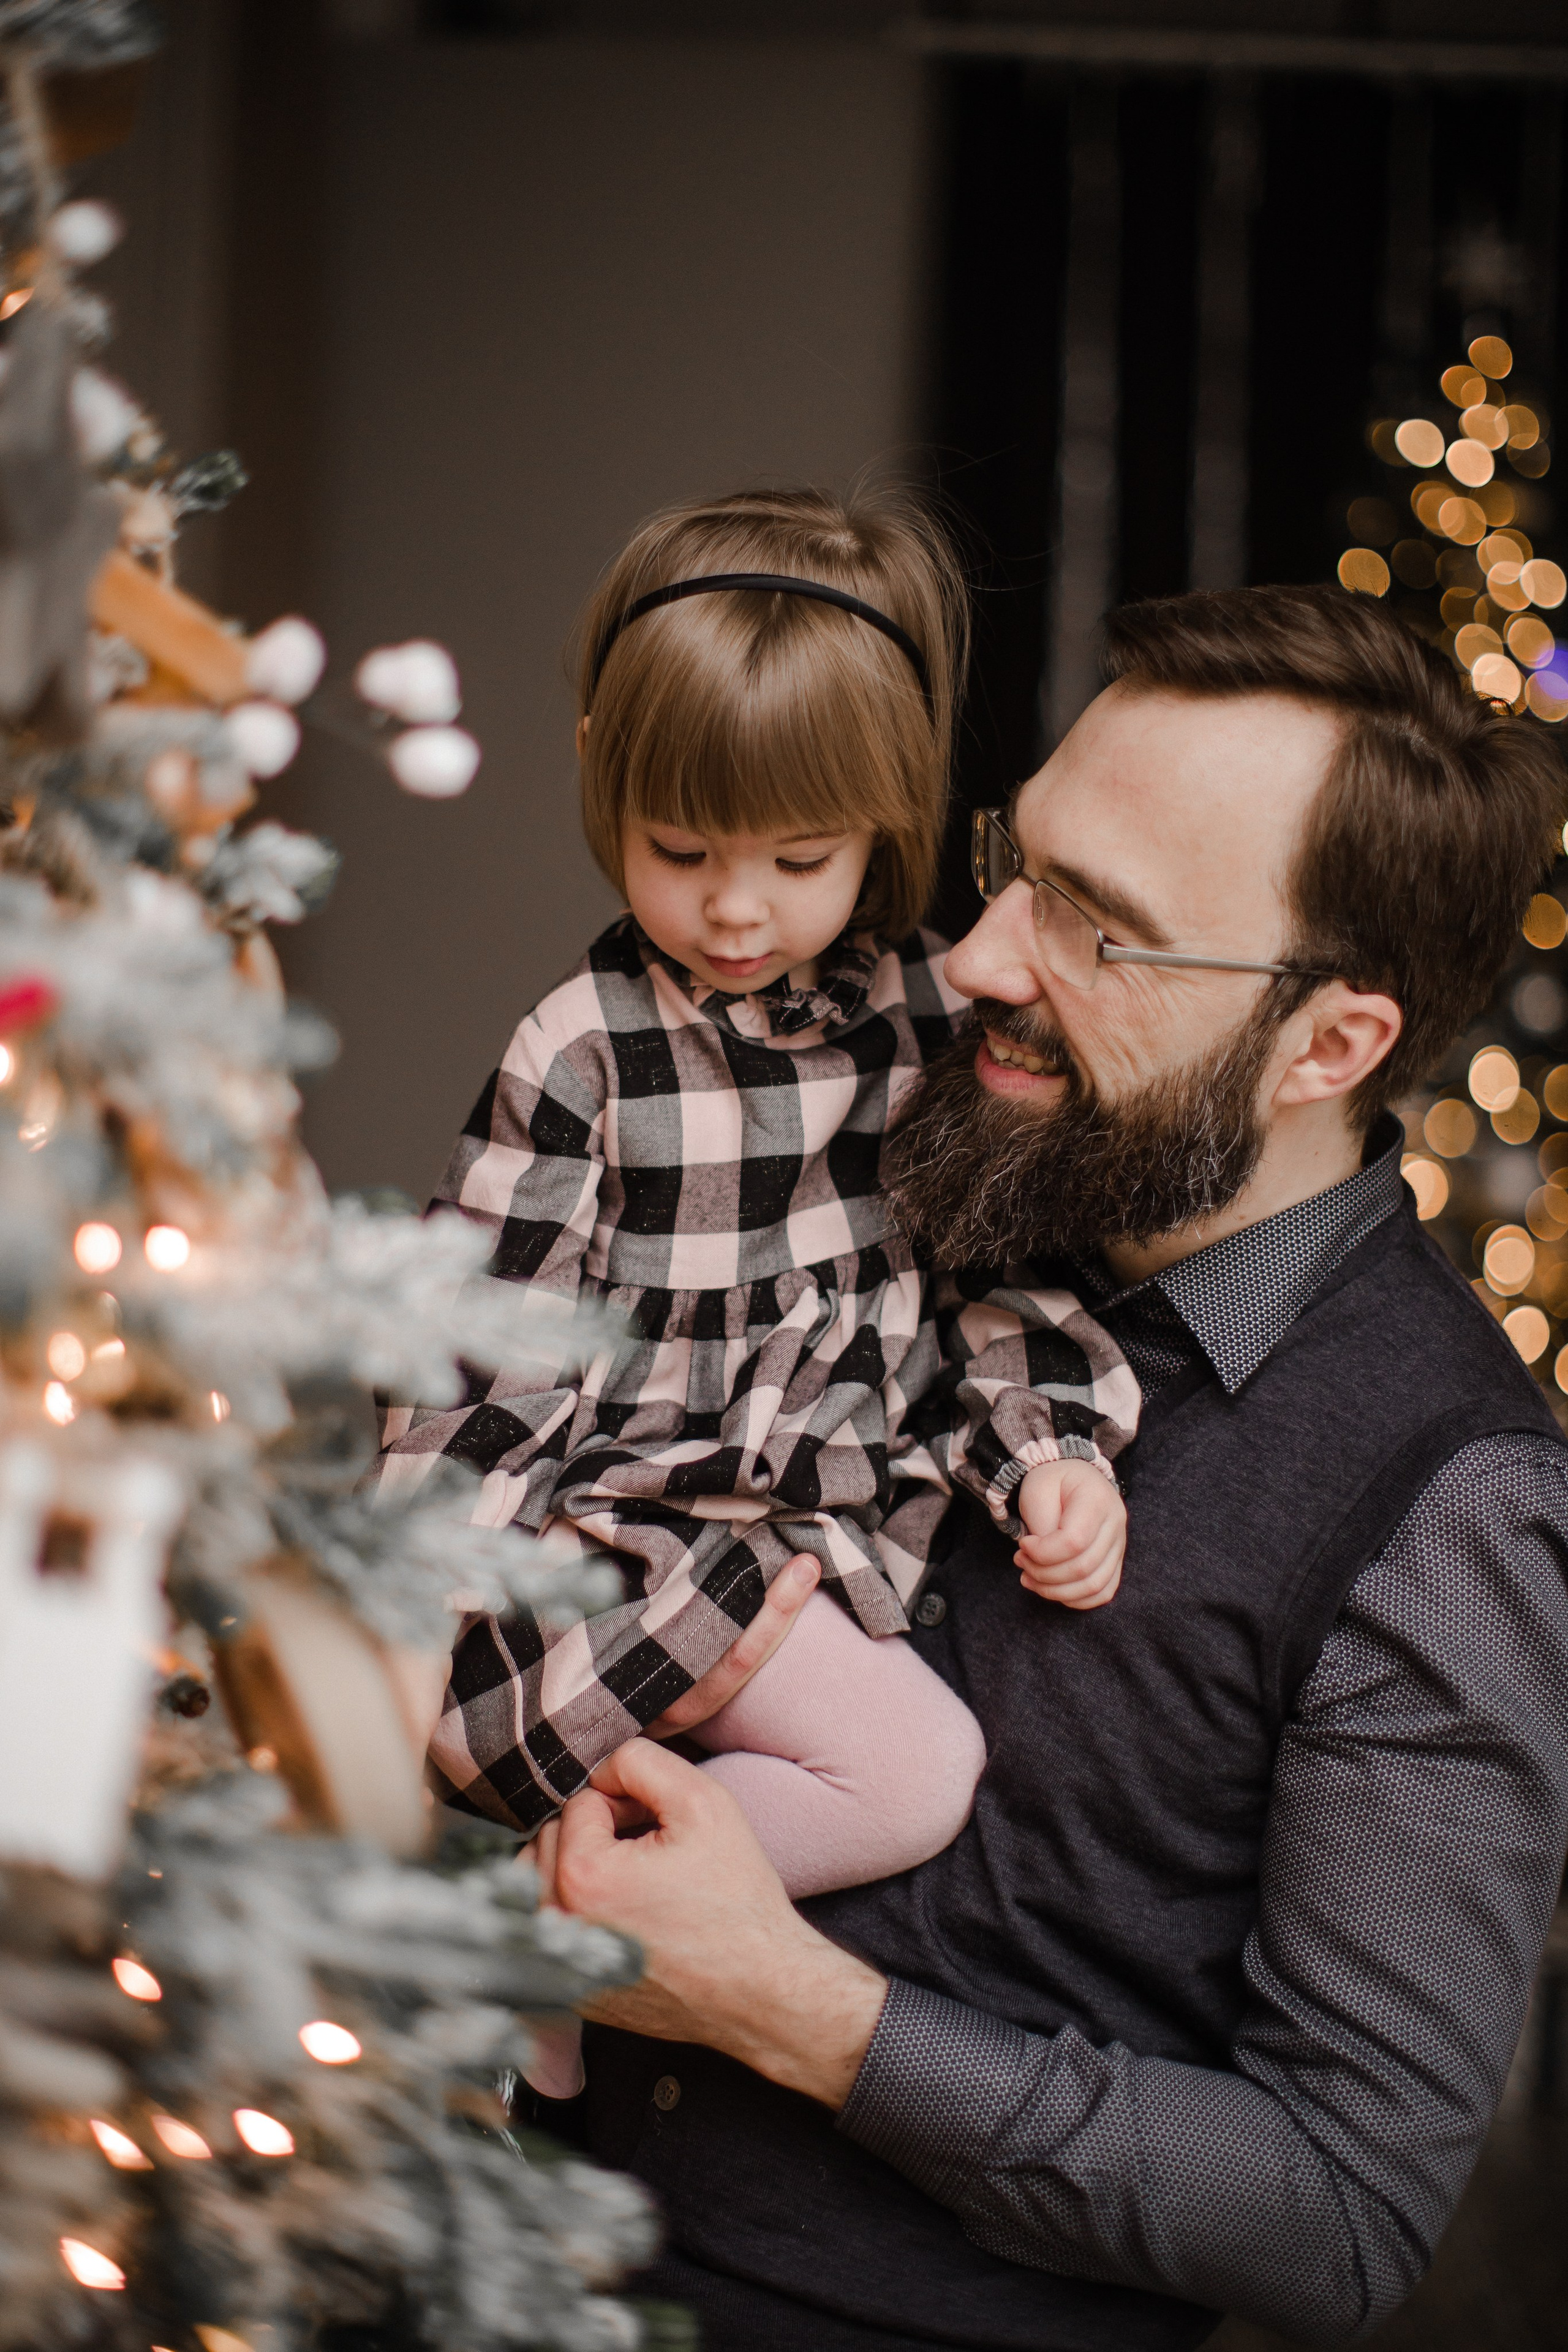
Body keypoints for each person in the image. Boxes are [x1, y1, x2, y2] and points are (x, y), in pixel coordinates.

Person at [532, 583, 1568, 2351]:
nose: (978, 959)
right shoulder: (898, 1153)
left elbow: (1342, 2211)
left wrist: (796, 2011)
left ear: (1332, 1044)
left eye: (1103, 931)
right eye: (1024, 864)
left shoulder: (1449, 1498)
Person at [379, 487, 1139, 1947]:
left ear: (888, 815)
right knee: (915, 1774)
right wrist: (418, 1600)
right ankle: (555, 1934)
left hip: (810, 1551)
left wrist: (1051, 1455)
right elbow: (482, 1348)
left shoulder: (931, 1018)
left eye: (798, 862)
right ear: (605, 782)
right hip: (606, 1552)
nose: (736, 911)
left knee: (914, 1777)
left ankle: (566, 1939)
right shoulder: (583, 1052)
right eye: (681, 850)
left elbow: (1000, 1282)